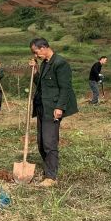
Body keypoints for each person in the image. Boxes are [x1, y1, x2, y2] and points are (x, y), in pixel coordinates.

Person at [29, 39, 78, 188]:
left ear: (43, 48)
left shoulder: (60, 63)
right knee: (41, 142)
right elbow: (42, 84)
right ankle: (48, 169)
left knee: (49, 142)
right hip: (42, 107)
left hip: (53, 108)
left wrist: (60, 107)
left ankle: (51, 177)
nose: (35, 55)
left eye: (36, 52)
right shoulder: (45, 63)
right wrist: (36, 70)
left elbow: (65, 88)